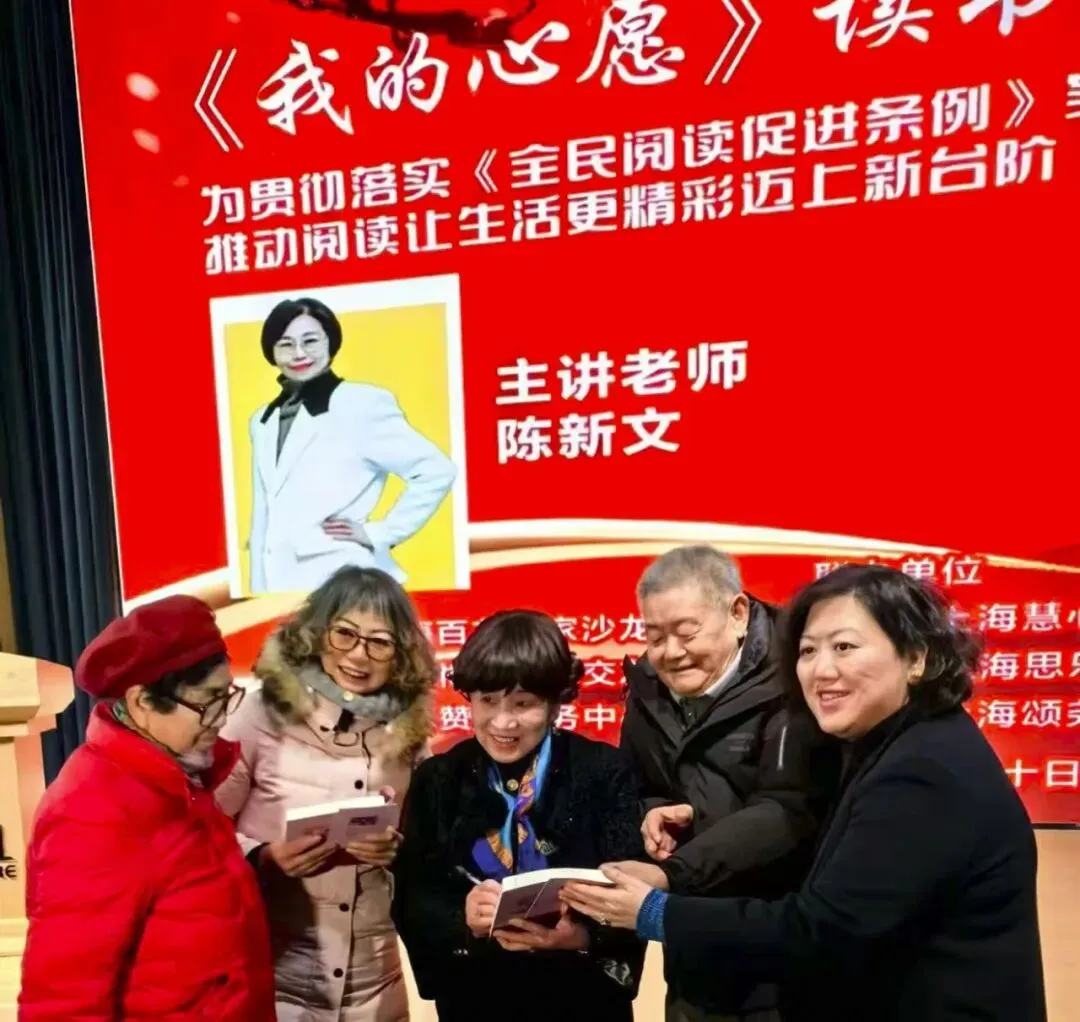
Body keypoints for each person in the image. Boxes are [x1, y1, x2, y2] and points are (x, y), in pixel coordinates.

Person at [562, 564, 1047, 1022]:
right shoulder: (890, 741)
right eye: (808, 651)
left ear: (916, 658)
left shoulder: (922, 774)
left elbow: (822, 932)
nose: (822, 670)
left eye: (845, 647)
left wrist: (655, 912)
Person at [19, 596, 274, 1021]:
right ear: (142, 702)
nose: (220, 718)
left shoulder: (181, 780)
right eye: (208, 701)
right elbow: (64, 999)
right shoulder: (94, 812)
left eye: (227, 694)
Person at [391, 610, 647, 1022]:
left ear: (554, 703)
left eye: (523, 703)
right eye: (487, 700)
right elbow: (412, 894)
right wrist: (462, 919)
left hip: (583, 999)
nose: (503, 722)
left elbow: (633, 883)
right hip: (475, 1000)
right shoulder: (438, 778)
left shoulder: (604, 771)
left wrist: (583, 936)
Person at [617, 544, 837, 1021]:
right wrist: (654, 813)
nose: (670, 653)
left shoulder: (795, 679)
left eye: (686, 632)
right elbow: (640, 785)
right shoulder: (646, 688)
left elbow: (788, 808)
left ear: (737, 614)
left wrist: (676, 873)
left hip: (781, 932)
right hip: (690, 937)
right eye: (655, 636)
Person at [215, 566, 436, 1022]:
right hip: (277, 975)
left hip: (375, 981)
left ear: (401, 654)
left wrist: (398, 851)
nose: (358, 655)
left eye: (379, 642)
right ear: (317, 633)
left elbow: (431, 846)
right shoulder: (259, 711)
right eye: (345, 634)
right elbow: (199, 829)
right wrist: (263, 858)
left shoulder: (409, 731)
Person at [249, 296, 457, 594]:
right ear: (271, 351)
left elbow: (436, 470)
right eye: (286, 344)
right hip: (281, 583)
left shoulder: (362, 402)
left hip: (346, 578)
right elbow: (263, 512)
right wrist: (258, 592)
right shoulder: (262, 419)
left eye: (310, 341)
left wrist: (380, 533)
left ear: (330, 342)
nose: (299, 353)